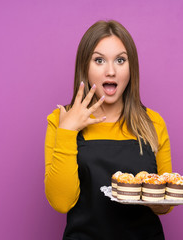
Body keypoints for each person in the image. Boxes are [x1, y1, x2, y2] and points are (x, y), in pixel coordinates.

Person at [44, 20, 173, 240]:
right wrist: (68, 131)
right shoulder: (60, 120)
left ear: (131, 68)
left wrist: (153, 197)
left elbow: (164, 207)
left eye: (120, 60)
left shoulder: (153, 122)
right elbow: (61, 202)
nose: (111, 71)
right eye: (99, 60)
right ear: (84, 66)